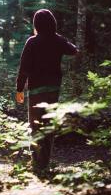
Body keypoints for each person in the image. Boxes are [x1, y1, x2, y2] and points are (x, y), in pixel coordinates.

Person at [16, 9, 78, 173]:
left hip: (36, 91)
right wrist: (61, 39)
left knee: (35, 126)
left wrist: (19, 88)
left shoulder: (32, 41)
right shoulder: (58, 41)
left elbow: (24, 68)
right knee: (49, 125)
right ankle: (45, 163)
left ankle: (37, 164)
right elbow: (74, 50)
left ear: (36, 24)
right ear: (53, 24)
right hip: (53, 91)